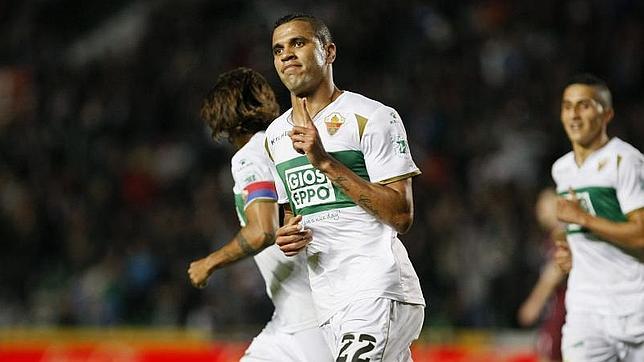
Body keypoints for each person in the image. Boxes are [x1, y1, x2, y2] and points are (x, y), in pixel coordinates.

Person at [264, 14, 425, 361]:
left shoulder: (373, 117)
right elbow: (295, 212)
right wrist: (286, 234)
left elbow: (401, 214)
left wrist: (326, 162)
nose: (287, 54)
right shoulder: (275, 137)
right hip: (327, 300)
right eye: (278, 49)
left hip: (376, 287)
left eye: (298, 43)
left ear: (329, 51)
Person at [187, 67, 332, 362]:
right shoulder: (284, 144)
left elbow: (262, 230)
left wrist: (209, 263)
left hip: (309, 321)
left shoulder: (250, 155)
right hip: (292, 317)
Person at [552, 73, 644, 362]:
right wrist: (570, 251)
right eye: (567, 106)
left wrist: (585, 219)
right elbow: (576, 229)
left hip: (634, 308)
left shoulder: (625, 160)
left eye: (584, 105)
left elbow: (641, 235)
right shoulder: (562, 169)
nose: (574, 115)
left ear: (607, 114)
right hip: (585, 311)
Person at [517, 188, 567, 362]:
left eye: (545, 204)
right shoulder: (550, 238)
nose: (539, 209)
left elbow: (553, 273)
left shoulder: (563, 236)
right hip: (555, 312)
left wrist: (534, 304)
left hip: (562, 313)